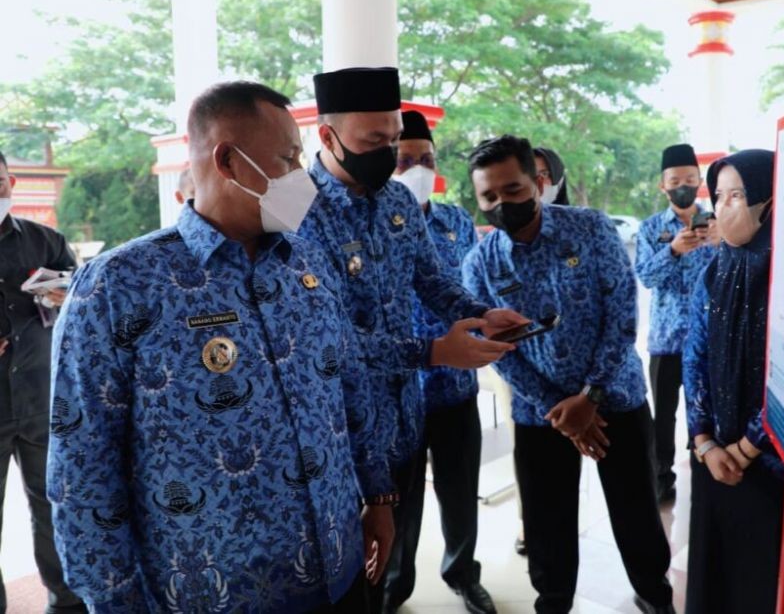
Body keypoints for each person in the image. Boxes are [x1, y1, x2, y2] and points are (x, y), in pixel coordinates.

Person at [47, 82, 396, 612]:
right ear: (229, 161)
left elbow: (349, 384)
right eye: (288, 158)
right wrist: (112, 601)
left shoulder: (306, 262)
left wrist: (379, 496)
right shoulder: (119, 286)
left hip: (338, 570)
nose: (302, 177)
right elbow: (82, 468)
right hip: (210, 594)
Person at [299, 67, 525, 613]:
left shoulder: (397, 202)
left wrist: (480, 313)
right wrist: (431, 351)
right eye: (373, 142)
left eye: (393, 138)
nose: (388, 151)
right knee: (350, 574)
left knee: (396, 547)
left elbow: (431, 279)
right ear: (328, 137)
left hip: (403, 415)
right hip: (339, 431)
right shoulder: (298, 213)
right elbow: (321, 342)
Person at [462, 135, 676, 614]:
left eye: (512, 190)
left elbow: (622, 316)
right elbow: (497, 349)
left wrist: (590, 397)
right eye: (488, 196)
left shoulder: (592, 230)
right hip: (544, 416)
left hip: (615, 399)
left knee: (636, 510)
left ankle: (654, 595)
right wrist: (560, 410)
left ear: (538, 183)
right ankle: (553, 602)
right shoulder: (480, 264)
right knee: (547, 523)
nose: (501, 204)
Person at [682, 149, 784, 613]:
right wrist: (705, 442)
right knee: (723, 585)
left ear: (771, 203)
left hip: (777, 467)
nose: (722, 207)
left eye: (737, 195)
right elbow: (696, 357)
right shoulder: (714, 270)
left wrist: (747, 447)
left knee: (777, 585)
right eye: (719, 195)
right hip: (717, 466)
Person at [382, 110, 494, 613]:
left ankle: (463, 574)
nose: (417, 168)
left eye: (426, 159)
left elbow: (465, 290)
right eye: (405, 160)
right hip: (397, 392)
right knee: (400, 504)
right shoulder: (373, 225)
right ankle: (394, 585)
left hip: (455, 388)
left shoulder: (453, 222)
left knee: (460, 492)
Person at [0, 151, 85, 613]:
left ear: (10, 180)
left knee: (55, 509)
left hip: (41, 397)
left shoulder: (45, 240)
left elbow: (81, 299)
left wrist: (64, 294)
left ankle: (67, 604)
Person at [634, 143, 719, 503]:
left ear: (699, 182)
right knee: (663, 416)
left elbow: (734, 273)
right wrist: (673, 251)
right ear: (662, 186)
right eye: (674, 180)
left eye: (688, 179)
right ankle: (660, 479)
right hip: (666, 340)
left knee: (706, 411)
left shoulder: (719, 223)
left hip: (708, 339)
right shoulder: (651, 228)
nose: (682, 185)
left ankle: (705, 475)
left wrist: (722, 242)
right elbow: (645, 276)